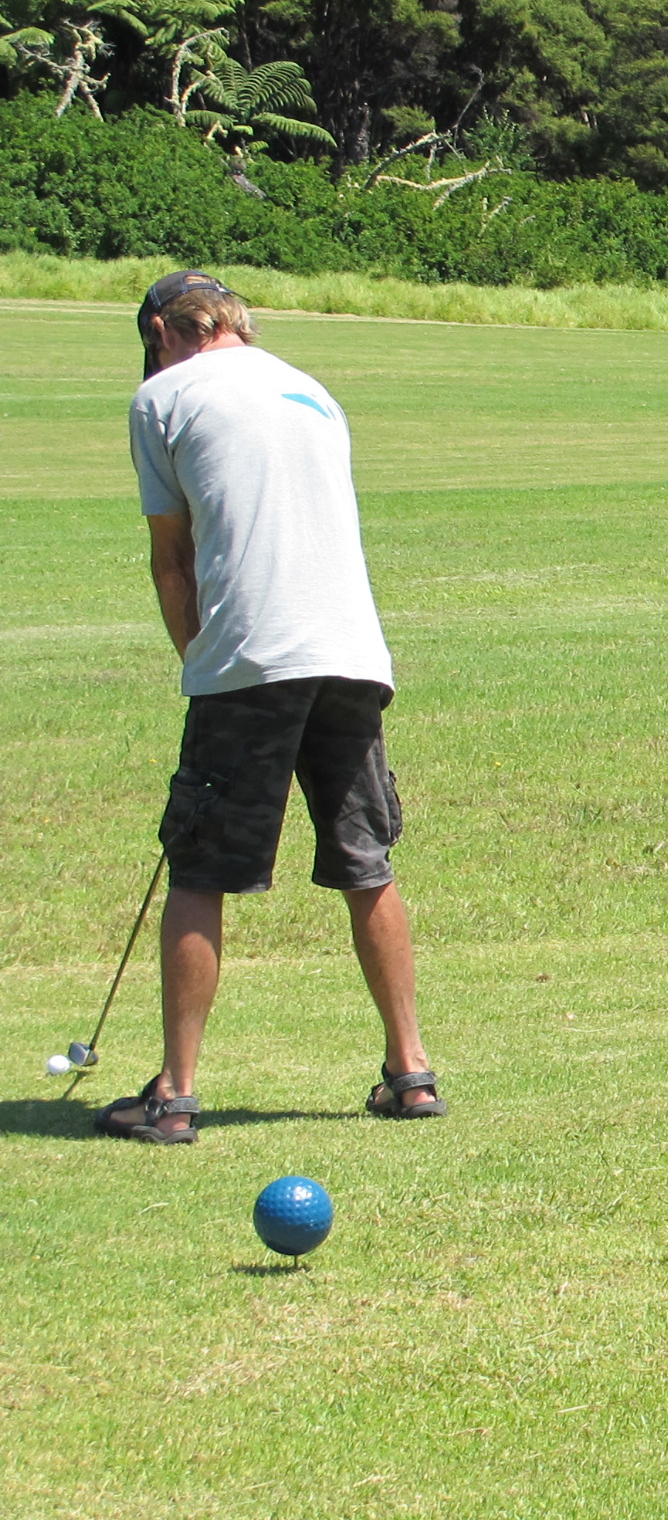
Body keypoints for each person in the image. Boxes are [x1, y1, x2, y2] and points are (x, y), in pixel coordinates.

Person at [97, 271, 444, 1145]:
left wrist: (200, 662)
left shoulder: (162, 397)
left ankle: (175, 1096)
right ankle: (411, 1073)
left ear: (160, 331)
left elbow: (173, 559)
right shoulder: (313, 391)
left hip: (252, 658)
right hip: (353, 653)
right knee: (367, 861)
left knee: (200, 869)